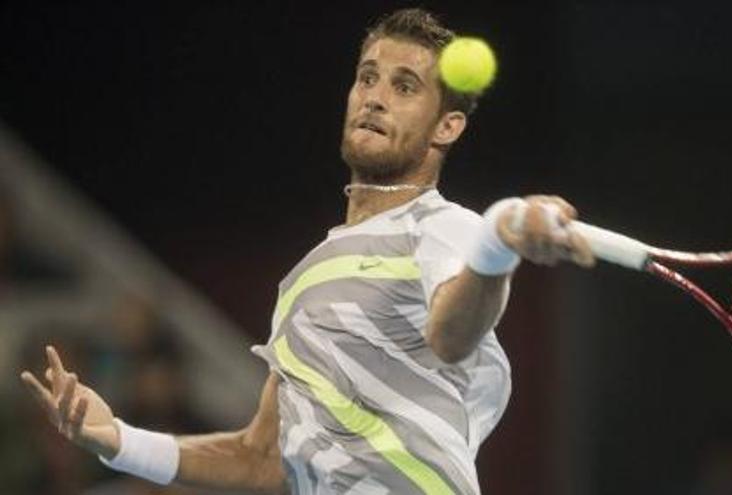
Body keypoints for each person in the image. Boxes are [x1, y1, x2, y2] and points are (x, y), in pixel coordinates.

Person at [20, 8, 594, 495]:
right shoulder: (302, 281)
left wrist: (497, 246)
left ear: (447, 127)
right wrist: (119, 440)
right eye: (367, 78)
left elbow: (450, 335)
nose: (375, 97)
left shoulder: (445, 229)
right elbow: (261, 456)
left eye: (404, 86)